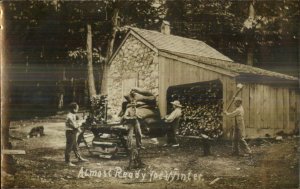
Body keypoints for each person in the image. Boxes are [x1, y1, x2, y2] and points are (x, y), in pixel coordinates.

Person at [65, 102, 88, 166]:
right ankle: (67, 161)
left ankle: (79, 158)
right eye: (77, 109)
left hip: (73, 132)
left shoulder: (73, 115)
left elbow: (76, 125)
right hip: (70, 133)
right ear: (73, 109)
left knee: (75, 146)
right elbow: (75, 125)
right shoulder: (69, 116)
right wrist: (82, 122)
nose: (77, 110)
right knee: (69, 147)